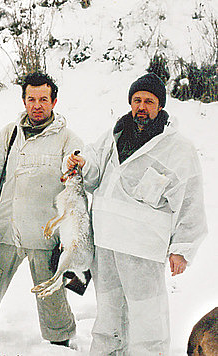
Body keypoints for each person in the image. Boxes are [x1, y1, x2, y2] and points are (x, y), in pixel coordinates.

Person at [66, 72, 207, 355]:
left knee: (147, 321)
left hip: (141, 249)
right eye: (137, 100)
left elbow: (191, 201)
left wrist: (181, 249)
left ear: (160, 106)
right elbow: (95, 167)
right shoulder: (116, 132)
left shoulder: (178, 148)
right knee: (108, 317)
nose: (141, 107)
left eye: (149, 101)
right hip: (105, 242)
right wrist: (81, 163)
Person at [0, 72, 83, 348]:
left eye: (43, 99)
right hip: (5, 225)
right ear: (23, 100)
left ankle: (60, 340)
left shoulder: (68, 138)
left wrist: (78, 166)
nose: (37, 105)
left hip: (44, 232)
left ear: (54, 101)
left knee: (50, 292)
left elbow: (79, 182)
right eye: (31, 99)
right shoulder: (9, 133)